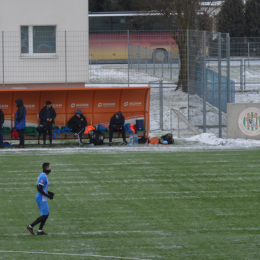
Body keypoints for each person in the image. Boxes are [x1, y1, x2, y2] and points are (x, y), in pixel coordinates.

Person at [27, 162, 54, 235]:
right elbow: (39, 188)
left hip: (42, 197)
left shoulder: (42, 175)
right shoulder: (43, 177)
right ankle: (30, 226)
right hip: (41, 198)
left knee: (46, 214)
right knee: (45, 215)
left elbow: (39, 187)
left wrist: (48, 192)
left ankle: (40, 231)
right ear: (47, 168)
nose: (51, 168)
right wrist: (48, 196)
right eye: (50, 167)